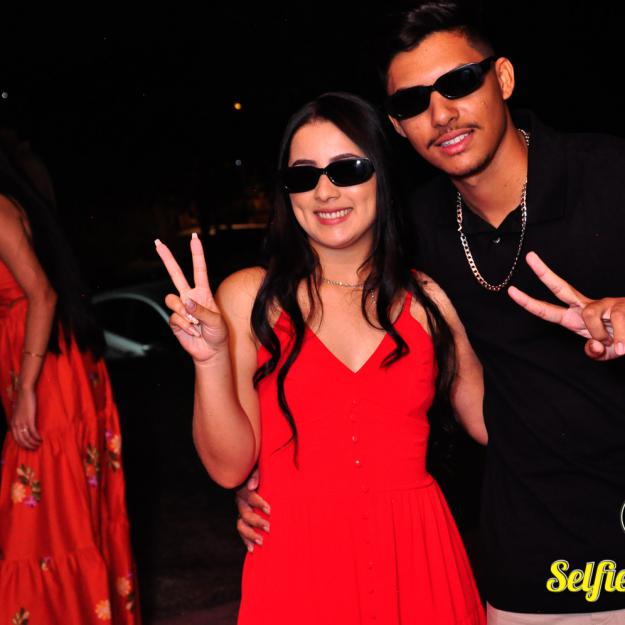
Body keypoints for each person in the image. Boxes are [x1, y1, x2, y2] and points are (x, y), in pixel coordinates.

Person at [238, 3, 625, 624]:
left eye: (460, 82)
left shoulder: (608, 174)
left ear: (502, 78)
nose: (440, 113)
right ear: (398, 126)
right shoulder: (416, 234)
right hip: (540, 558)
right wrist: (260, 481)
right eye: (414, 102)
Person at [156, 91, 486, 624]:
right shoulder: (250, 297)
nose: (325, 191)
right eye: (303, 175)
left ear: (381, 175)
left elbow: (495, 423)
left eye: (347, 168)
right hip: (298, 567)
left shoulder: (428, 300)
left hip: (418, 563)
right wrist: (209, 360)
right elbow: (228, 467)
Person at [0, 148, 140, 623]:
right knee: (64, 516)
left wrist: (26, 390)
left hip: (47, 374)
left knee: (38, 524)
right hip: (48, 364)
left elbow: (41, 294)